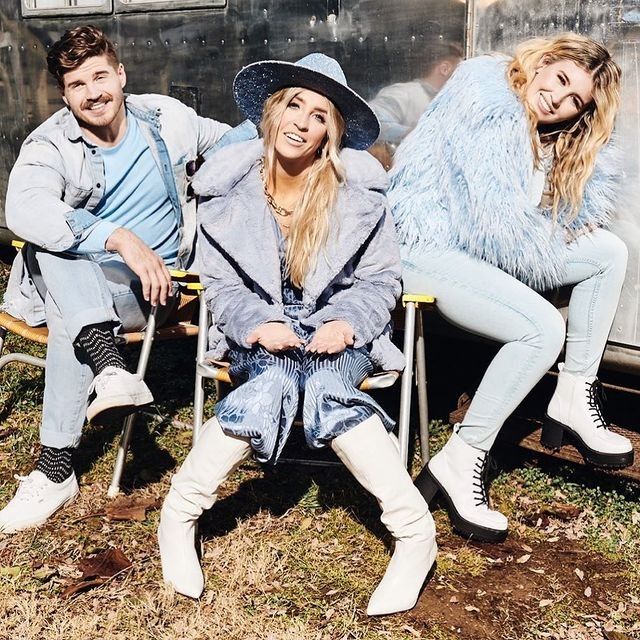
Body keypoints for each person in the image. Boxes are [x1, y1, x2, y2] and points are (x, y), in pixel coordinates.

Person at [157, 53, 437, 616]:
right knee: (271, 383)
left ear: (330, 133)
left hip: (338, 322)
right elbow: (221, 285)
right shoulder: (227, 193)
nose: (301, 121)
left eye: (318, 114)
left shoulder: (358, 197)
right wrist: (257, 325)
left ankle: (414, 535)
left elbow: (381, 280)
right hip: (258, 322)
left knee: (330, 389)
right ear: (271, 112)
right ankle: (180, 514)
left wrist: (347, 324)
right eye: (292, 103)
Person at [388, 33, 633, 544]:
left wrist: (570, 218)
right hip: (420, 245)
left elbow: (515, 231)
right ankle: (463, 458)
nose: (558, 101)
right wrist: (553, 232)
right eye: (560, 79)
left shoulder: (536, 127)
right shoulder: (484, 96)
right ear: (544, 61)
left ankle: (573, 393)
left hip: (469, 251)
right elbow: (497, 228)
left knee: (607, 252)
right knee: (539, 329)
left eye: (574, 102)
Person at [0, 25, 233, 533]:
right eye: (78, 85)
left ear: (121, 74)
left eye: (100, 76)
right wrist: (118, 237)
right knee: (53, 247)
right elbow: (24, 207)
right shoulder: (50, 144)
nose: (93, 93)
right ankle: (108, 368)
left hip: (150, 291)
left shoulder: (167, 120)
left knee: (68, 311)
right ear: (64, 96)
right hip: (83, 280)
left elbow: (236, 141)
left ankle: (55, 470)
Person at [369, 42, 463, 147]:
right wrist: (416, 133)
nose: (463, 77)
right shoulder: (403, 94)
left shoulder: (452, 102)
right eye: (460, 71)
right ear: (444, 69)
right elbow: (371, 124)